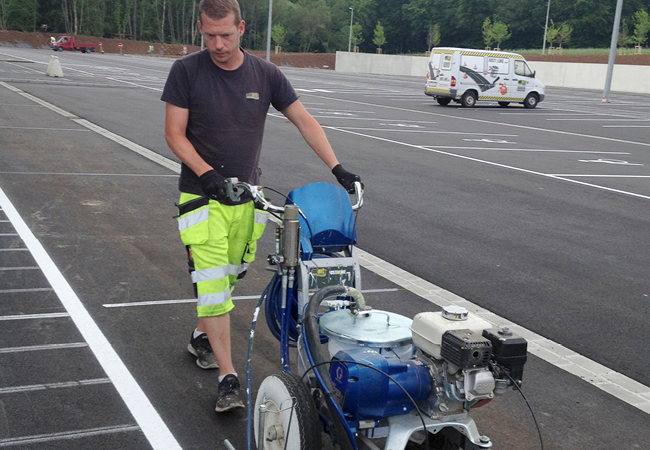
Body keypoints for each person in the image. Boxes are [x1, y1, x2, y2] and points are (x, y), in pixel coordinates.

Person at [161, 0, 361, 413]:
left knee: (231, 275)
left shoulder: (265, 74)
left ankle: (202, 336)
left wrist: (339, 168)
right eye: (209, 35)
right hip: (201, 198)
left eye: (226, 35)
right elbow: (175, 135)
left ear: (242, 28)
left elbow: (304, 120)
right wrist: (207, 175)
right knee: (213, 285)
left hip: (246, 199)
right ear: (200, 28)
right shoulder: (186, 72)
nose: (217, 44)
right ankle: (228, 378)